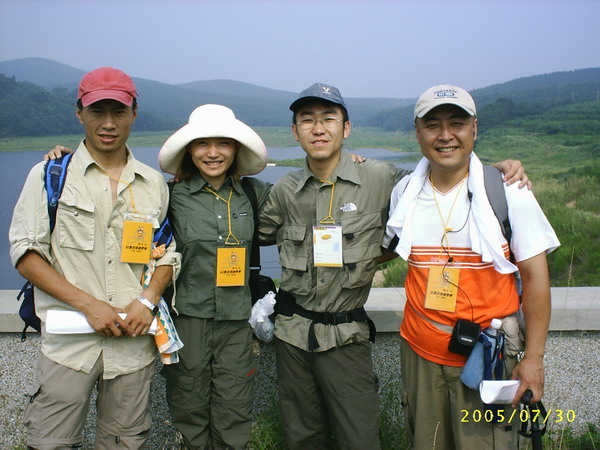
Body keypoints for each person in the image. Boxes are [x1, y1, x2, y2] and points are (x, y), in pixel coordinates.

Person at [258, 82, 529, 450]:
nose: (318, 129)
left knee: (360, 439)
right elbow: (249, 233)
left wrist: (496, 171)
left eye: (328, 119)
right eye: (308, 120)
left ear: (346, 128)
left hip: (345, 336)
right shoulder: (284, 190)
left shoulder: (381, 178)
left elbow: (444, 173)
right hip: (291, 334)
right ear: (294, 131)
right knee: (301, 438)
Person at [9, 67, 181, 449]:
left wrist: (148, 299)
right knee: (50, 442)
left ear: (134, 113)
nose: (108, 123)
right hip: (68, 349)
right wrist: (90, 306)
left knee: (124, 442)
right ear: (79, 113)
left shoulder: (152, 183)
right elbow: (26, 254)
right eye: (97, 111)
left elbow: (166, 254)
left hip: (133, 347)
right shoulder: (51, 175)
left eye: (118, 111)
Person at [383, 84, 560, 449]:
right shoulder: (405, 193)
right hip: (420, 354)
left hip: (488, 357)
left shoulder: (508, 192)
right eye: (432, 125)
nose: (445, 135)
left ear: (474, 128)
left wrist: (534, 359)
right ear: (417, 132)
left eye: (457, 123)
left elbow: (536, 278)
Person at [157, 104, 271, 449]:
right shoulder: (170, 195)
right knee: (188, 406)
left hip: (237, 322)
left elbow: (305, 199)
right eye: (202, 143)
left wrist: (346, 163)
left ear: (235, 149)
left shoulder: (254, 193)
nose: (213, 153)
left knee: (235, 408)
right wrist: (67, 161)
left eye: (223, 143)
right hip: (186, 319)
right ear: (189, 150)